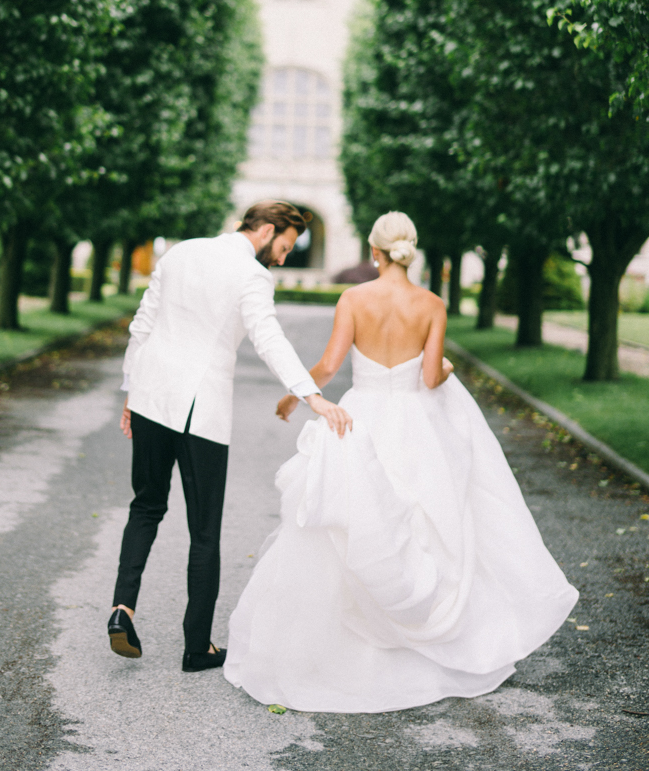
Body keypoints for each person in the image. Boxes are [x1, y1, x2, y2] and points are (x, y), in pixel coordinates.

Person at [224, 211, 578, 712]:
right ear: (410, 249)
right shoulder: (431, 304)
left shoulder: (354, 299)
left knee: (352, 525)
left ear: (374, 251)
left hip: (362, 418)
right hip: (418, 427)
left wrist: (294, 395)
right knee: (429, 522)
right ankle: (433, 643)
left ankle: (336, 647)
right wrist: (448, 363)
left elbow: (327, 365)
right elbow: (431, 378)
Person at [108, 201, 352, 673]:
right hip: (201, 413)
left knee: (145, 505)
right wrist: (312, 396)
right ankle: (197, 647)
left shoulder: (180, 254)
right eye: (282, 247)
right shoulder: (252, 276)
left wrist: (131, 390)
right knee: (204, 530)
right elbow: (269, 337)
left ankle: (122, 608)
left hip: (151, 398)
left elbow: (144, 324)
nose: (282, 258)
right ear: (265, 230)